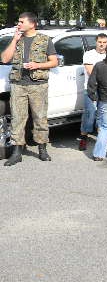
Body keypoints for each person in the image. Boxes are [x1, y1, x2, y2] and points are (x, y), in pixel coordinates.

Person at [1, 12, 58, 166]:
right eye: (18, 22)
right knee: (17, 119)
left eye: (21, 22)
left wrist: (37, 65)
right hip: (18, 84)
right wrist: (14, 40)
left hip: (38, 85)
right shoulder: (16, 39)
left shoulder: (45, 40)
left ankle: (42, 149)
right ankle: (17, 152)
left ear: (32, 24)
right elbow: (5, 59)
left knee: (40, 118)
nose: (18, 24)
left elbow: (54, 62)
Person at [78, 33, 107, 150]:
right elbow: (91, 72)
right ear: (96, 42)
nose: (102, 44)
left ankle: (101, 137)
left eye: (104, 42)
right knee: (89, 113)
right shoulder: (89, 54)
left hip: (105, 89)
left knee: (102, 113)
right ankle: (83, 137)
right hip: (91, 89)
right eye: (100, 42)